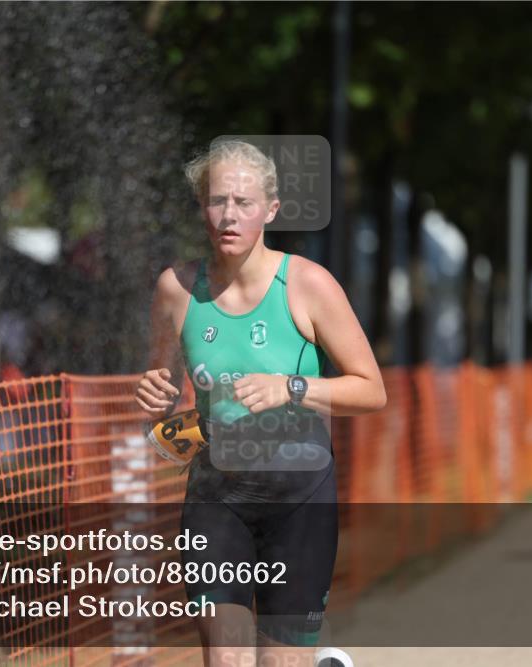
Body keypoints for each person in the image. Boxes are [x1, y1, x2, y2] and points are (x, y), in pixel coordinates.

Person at [134, 139, 385, 667]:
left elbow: (370, 389)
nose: (229, 215)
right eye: (217, 200)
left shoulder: (308, 285)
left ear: (270, 210)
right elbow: (161, 398)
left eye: (244, 203)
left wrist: (290, 388)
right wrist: (152, 400)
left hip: (300, 498)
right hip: (215, 497)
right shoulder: (176, 290)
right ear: (201, 206)